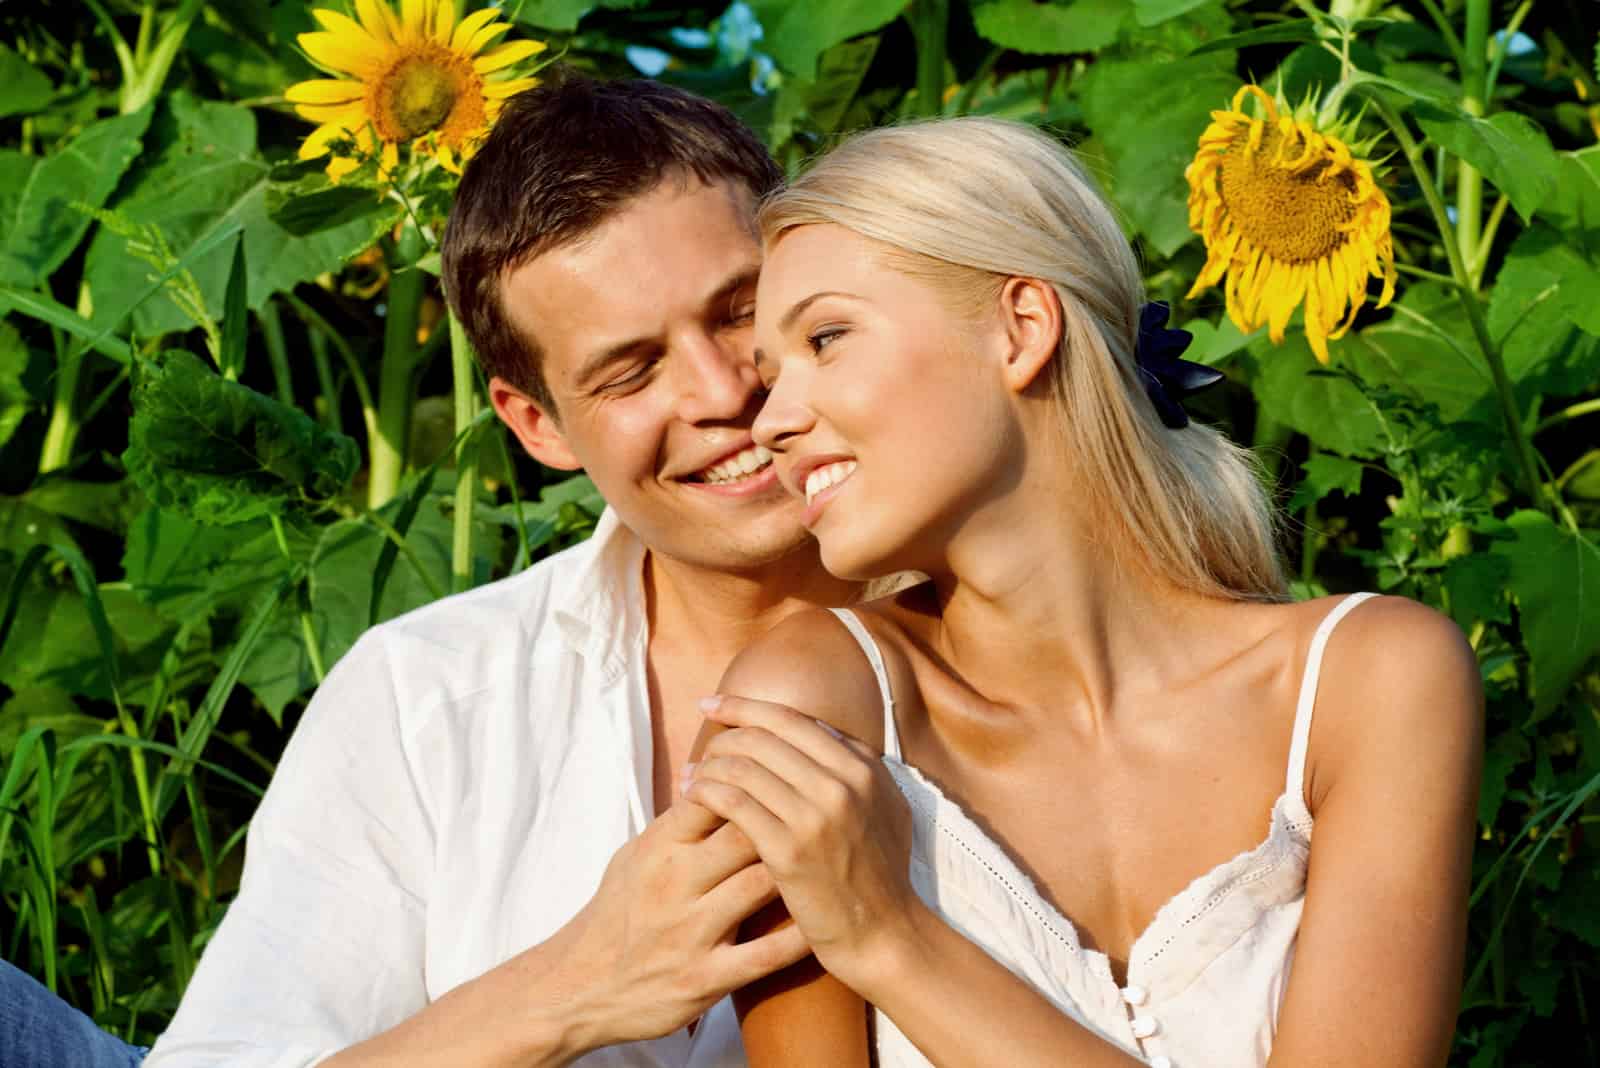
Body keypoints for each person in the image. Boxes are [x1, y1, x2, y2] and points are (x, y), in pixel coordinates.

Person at [682, 117, 1484, 1067]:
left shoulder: (1370, 682)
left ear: (1021, 329)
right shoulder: (806, 713)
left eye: (827, 336)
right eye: (772, 378)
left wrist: (890, 940)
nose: (769, 422)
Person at [140, 74, 865, 1067]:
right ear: (536, 425)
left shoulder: (1023, 618)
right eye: (630, 370)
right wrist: (570, 986)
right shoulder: (426, 693)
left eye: (739, 311)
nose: (721, 390)